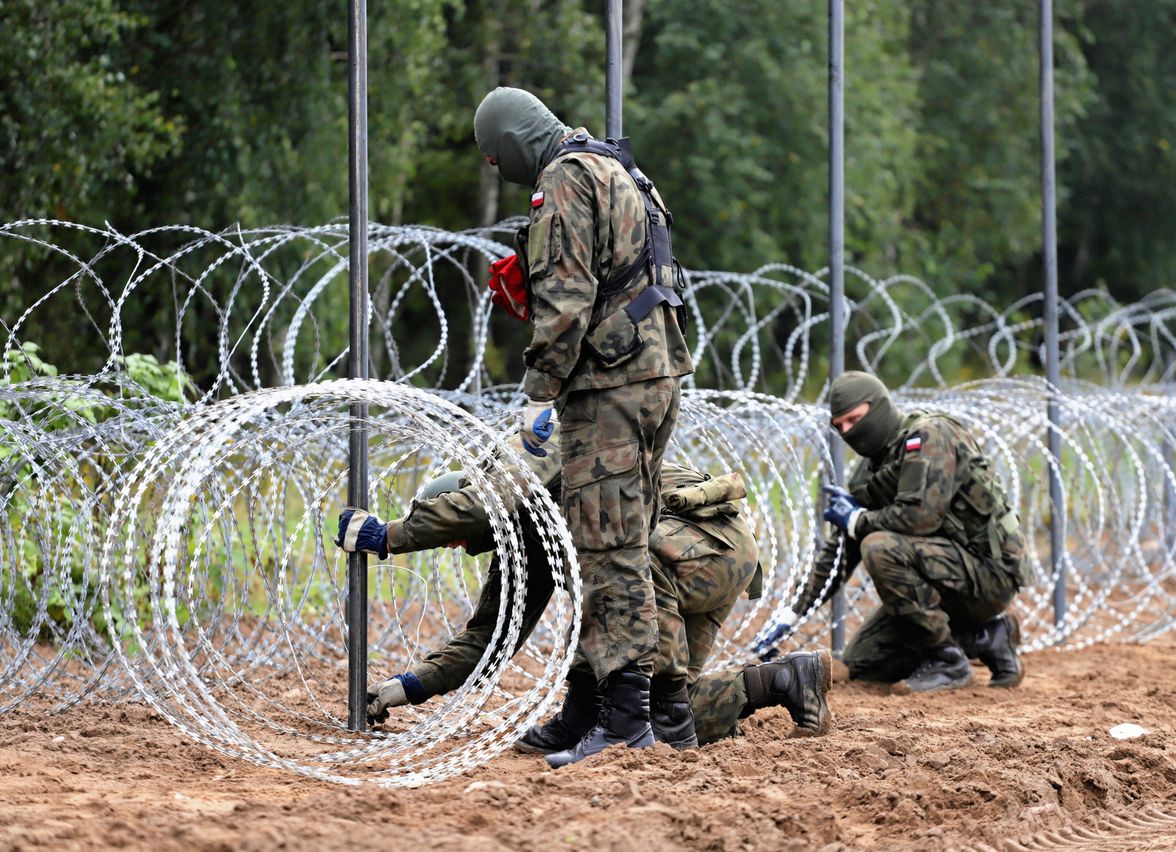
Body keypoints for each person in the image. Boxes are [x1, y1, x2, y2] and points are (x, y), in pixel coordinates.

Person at [335, 431, 832, 766]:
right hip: (689, 559)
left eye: (456, 534)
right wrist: (405, 687)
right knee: (660, 714)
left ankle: (586, 711)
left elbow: (482, 503)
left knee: (613, 584)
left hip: (693, 547)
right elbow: (489, 638)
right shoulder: (531, 538)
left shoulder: (528, 459)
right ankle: (783, 679)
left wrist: (390, 535)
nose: (457, 546)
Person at [470, 86, 693, 764]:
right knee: (610, 541)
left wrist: (540, 389)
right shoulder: (619, 168)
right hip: (653, 377)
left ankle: (626, 723)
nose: (495, 170)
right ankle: (591, 708)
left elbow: (566, 300)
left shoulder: (563, 178)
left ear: (511, 144)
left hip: (609, 387)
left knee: (609, 551)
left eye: (493, 157)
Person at [755, 370, 1033, 692]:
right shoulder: (870, 470)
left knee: (878, 546)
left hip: (988, 574)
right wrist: (791, 615)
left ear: (879, 407)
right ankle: (985, 637)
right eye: (840, 426)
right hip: (942, 579)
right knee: (864, 663)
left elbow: (920, 518)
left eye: (855, 419)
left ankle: (949, 662)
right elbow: (840, 552)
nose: (849, 431)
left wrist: (859, 521)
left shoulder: (929, 436)